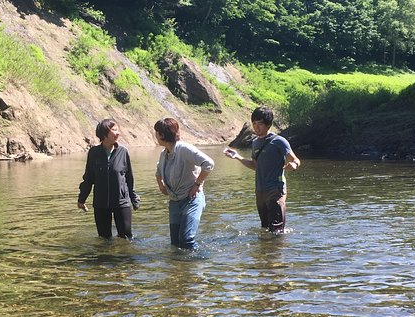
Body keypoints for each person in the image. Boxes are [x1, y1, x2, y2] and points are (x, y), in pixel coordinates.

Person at [224, 106, 300, 233]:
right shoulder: (255, 143)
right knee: (265, 229)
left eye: (260, 124)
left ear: (268, 124)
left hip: (276, 190)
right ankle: (265, 252)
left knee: (276, 231)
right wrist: (237, 157)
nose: (256, 127)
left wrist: (294, 165)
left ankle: (276, 251)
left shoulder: (279, 141)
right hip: (260, 191)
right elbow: (255, 165)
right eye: (254, 123)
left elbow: (295, 160)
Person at [154, 118, 214, 250]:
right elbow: (158, 172)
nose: (155, 136)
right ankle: (178, 269)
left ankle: (200, 264)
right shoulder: (164, 153)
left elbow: (208, 164)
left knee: (186, 239)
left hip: (191, 200)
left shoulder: (183, 148)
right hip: (174, 202)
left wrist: (197, 184)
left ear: (162, 135)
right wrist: (161, 186)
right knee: (175, 244)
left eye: (156, 133)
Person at [78, 119, 140, 239]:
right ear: (104, 134)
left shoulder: (123, 151)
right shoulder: (94, 153)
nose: (118, 133)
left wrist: (134, 199)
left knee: (126, 238)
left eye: (118, 130)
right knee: (103, 239)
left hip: (122, 202)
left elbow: (129, 178)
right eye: (114, 130)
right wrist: (82, 199)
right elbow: (89, 178)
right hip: (101, 204)